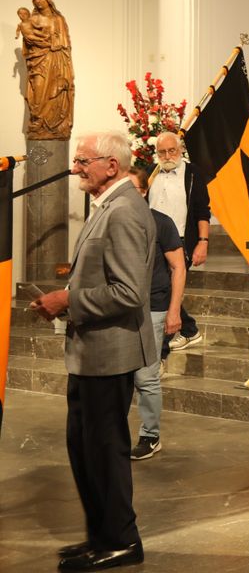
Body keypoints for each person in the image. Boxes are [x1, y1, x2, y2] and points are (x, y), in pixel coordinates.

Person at [31, 131, 156, 570]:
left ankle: (122, 541)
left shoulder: (123, 212)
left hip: (110, 352)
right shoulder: (110, 205)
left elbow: (128, 292)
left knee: (104, 450)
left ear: (111, 165)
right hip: (92, 349)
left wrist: (68, 301)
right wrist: (65, 295)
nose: (76, 168)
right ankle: (99, 536)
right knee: (83, 448)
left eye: (83, 161)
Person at [126, 168, 185, 461]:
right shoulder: (116, 221)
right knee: (121, 374)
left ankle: (150, 435)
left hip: (154, 307)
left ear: (144, 192)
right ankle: (114, 433)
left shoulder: (161, 222)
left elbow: (178, 267)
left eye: (133, 188)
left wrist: (175, 310)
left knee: (147, 376)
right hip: (122, 308)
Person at [148, 131, 208, 353]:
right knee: (164, 289)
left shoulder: (192, 174)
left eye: (171, 150)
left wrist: (203, 241)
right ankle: (190, 330)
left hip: (181, 241)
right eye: (161, 152)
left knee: (166, 289)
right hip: (153, 242)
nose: (167, 156)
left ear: (181, 149)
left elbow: (203, 211)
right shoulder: (150, 173)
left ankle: (160, 353)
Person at [20, 0, 75, 140]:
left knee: (57, 93)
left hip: (58, 60)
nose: (37, 1)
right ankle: (38, 121)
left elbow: (66, 45)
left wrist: (67, 68)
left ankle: (56, 125)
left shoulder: (59, 19)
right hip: (39, 61)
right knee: (38, 91)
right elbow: (28, 42)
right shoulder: (32, 19)